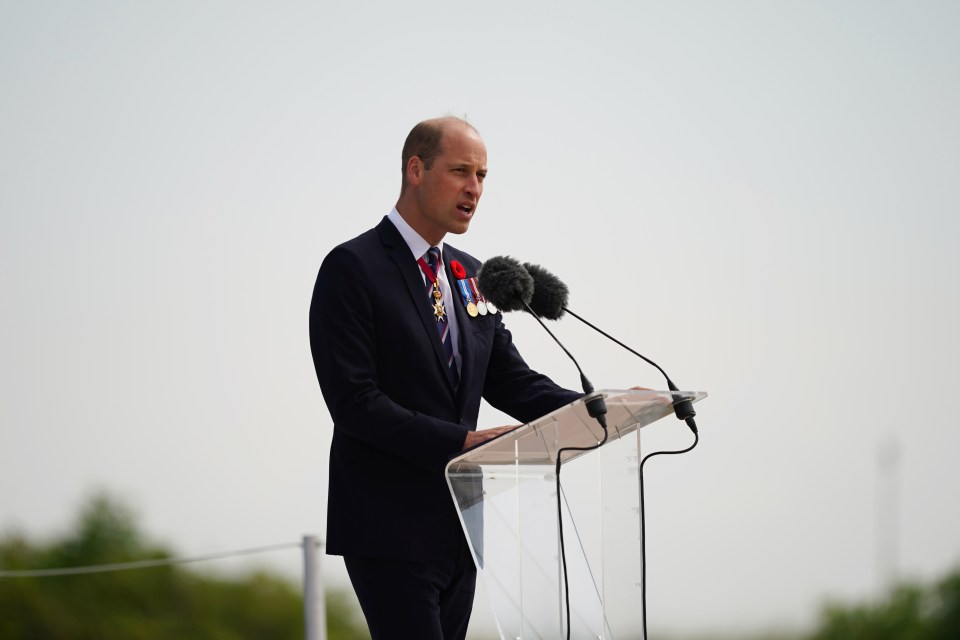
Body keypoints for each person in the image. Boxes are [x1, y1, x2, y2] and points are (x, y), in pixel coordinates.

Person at [309, 116, 581, 639]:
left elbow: (512, 382)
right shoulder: (353, 267)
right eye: (460, 171)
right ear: (416, 169)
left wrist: (595, 409)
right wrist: (462, 441)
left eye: (482, 176)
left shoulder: (471, 275)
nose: (474, 189)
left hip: (461, 528)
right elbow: (355, 402)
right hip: (387, 525)